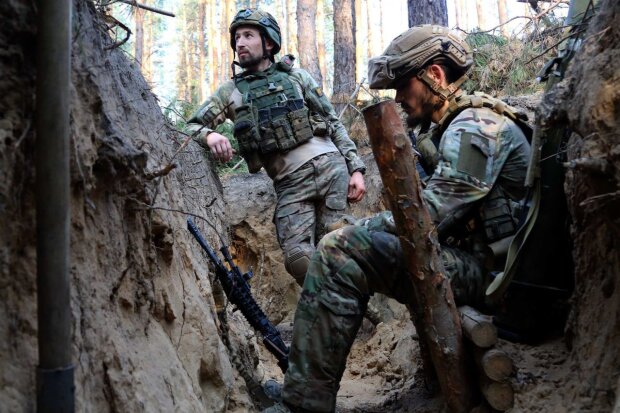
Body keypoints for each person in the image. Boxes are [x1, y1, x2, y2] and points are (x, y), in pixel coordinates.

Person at [264, 25, 532, 413]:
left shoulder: (477, 125)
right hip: (480, 269)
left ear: (435, 76)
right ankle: (304, 392)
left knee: (339, 250)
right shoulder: (451, 128)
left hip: (498, 280)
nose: (398, 98)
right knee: (343, 248)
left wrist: (361, 229)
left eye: (404, 85)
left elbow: (432, 213)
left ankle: (303, 404)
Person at [186, 9, 367, 286]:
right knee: (298, 259)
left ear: (269, 42)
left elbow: (333, 122)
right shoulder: (230, 91)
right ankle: (340, 302)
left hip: (332, 170)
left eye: (248, 35)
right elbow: (192, 125)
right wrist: (210, 136)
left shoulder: (297, 77)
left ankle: (360, 300)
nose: (240, 43)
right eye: (237, 38)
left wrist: (356, 168)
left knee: (338, 245)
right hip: (290, 183)